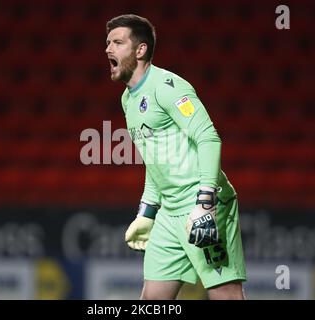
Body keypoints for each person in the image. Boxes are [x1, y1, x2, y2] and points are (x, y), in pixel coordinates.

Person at [105, 14, 247, 300]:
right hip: (169, 214)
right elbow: (155, 158)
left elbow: (208, 137)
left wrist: (205, 204)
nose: (108, 49)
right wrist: (147, 211)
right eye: (107, 43)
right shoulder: (128, 99)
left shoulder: (168, 86)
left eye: (117, 42)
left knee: (225, 294)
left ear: (140, 50)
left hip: (203, 207)